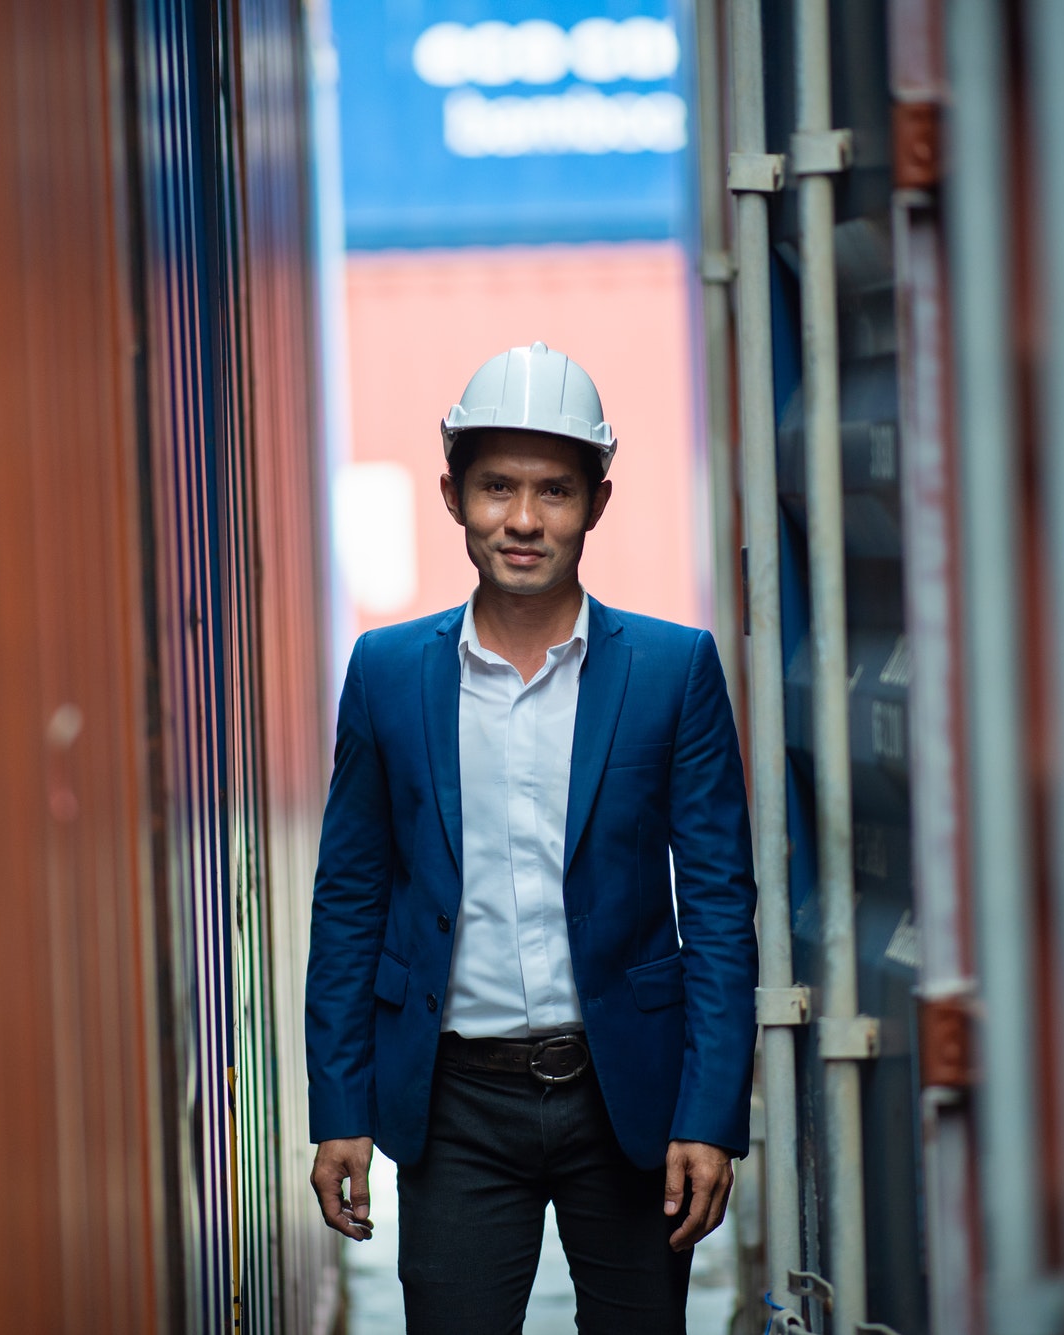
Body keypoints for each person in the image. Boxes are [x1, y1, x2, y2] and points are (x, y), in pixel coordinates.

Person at [304, 342, 757, 1333]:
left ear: (596, 500)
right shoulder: (385, 675)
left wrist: (709, 1112)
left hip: (625, 1098)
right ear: (451, 494)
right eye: (495, 486)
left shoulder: (671, 673)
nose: (521, 519)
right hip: (455, 1104)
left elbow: (719, 905)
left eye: (552, 490)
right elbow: (348, 898)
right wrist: (338, 1108)